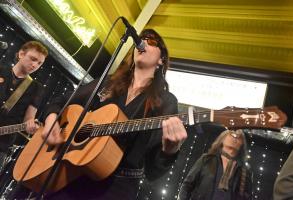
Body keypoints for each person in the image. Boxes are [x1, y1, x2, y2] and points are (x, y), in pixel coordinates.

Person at [41, 29, 187, 199]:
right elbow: (61, 101)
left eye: (152, 42)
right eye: (141, 40)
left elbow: (153, 171)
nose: (144, 43)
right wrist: (52, 120)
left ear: (161, 60)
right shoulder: (108, 82)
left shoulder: (166, 100)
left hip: (118, 186)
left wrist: (170, 150)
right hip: (74, 171)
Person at [0, 41, 48, 194]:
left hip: (2, 142)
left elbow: (29, 117)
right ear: (21, 54)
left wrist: (31, 125)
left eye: (39, 63)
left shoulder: (36, 88)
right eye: (33, 59)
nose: (35, 65)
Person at [178, 129, 252, 200]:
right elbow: (187, 186)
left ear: (242, 143)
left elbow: (247, 197)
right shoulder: (206, 159)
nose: (235, 138)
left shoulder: (244, 171)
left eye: (239, 137)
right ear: (223, 138)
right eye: (232, 134)